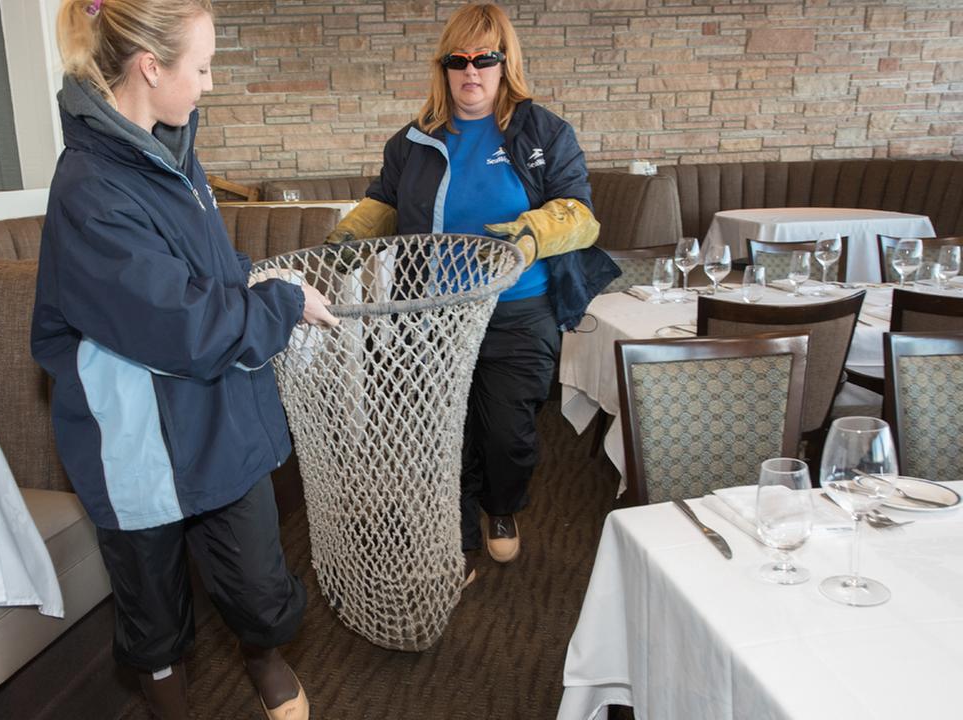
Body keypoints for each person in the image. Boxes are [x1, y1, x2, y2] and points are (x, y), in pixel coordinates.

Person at [31, 1, 336, 717]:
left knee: (259, 583)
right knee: (152, 608)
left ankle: (262, 652)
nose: (207, 84)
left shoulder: (172, 149)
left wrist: (256, 280)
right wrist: (281, 308)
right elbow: (184, 329)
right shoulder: (89, 190)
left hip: (215, 413)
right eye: (200, 67)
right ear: (150, 67)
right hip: (138, 437)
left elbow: (199, 272)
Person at [327, 2, 618, 583]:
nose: (471, 72)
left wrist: (533, 234)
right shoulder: (412, 141)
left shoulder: (544, 132)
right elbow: (383, 204)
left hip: (516, 311)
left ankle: (501, 508)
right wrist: (343, 240)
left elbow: (581, 215)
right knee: (440, 432)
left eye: (485, 59)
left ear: (505, 63)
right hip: (432, 316)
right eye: (458, 60)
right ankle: (454, 537)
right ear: (444, 68)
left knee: (507, 434)